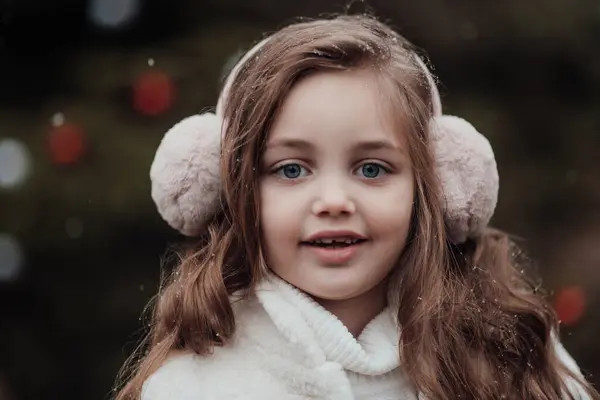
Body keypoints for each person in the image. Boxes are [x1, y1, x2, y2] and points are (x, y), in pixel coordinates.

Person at [114, 14, 599, 400]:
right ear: (234, 191)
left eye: (371, 169)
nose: (333, 202)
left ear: (434, 188)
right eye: (290, 170)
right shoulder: (196, 386)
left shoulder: (508, 362)